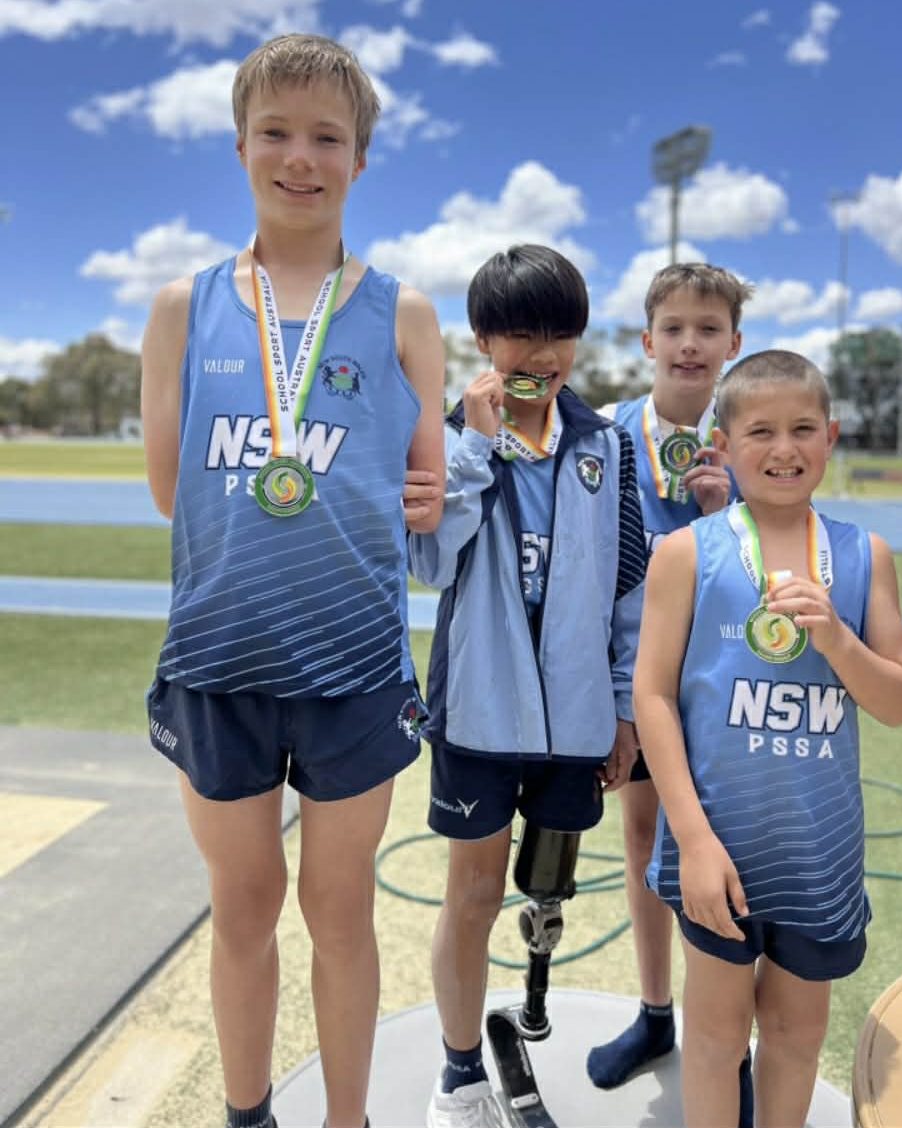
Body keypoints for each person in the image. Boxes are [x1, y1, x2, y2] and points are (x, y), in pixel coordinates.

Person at [140, 34, 445, 1128]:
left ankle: (347, 1119)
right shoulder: (183, 306)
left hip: (354, 666)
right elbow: (174, 492)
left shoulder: (405, 313)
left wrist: (426, 497)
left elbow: (426, 498)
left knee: (340, 910)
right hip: (218, 661)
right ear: (240, 146)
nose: (301, 157)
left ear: (360, 159)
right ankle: (245, 1112)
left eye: (328, 136)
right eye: (277, 132)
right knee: (243, 908)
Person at [635, 350, 902, 1128]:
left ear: (830, 439)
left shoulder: (866, 558)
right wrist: (691, 839)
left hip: (817, 855)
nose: (784, 448)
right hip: (716, 850)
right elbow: (653, 697)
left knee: (796, 1036)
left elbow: (898, 703)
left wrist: (839, 643)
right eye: (760, 430)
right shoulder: (687, 552)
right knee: (718, 1034)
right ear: (723, 445)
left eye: (802, 429)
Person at [408, 244, 648, 1128]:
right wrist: (472, 447)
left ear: (579, 339)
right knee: (471, 893)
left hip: (579, 720)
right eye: (519, 333)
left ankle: (527, 1001)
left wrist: (623, 709)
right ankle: (460, 1068)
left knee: (549, 882)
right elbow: (429, 560)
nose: (540, 353)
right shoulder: (449, 434)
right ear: (483, 339)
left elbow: (628, 590)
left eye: (559, 333)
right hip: (477, 711)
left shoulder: (606, 445)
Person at [587, 263, 752, 1097]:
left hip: (723, 698)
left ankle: (730, 1045)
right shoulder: (608, 434)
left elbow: (772, 580)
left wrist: (734, 516)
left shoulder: (757, 441)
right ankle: (656, 1013)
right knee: (647, 846)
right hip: (637, 694)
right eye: (675, 329)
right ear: (648, 341)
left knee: (728, 859)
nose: (691, 344)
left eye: (708, 329)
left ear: (734, 343)